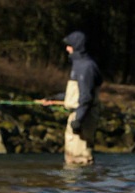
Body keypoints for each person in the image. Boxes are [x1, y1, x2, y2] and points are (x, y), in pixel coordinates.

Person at [37, 31, 103, 165]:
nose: (67, 49)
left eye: (69, 46)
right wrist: (52, 98)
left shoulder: (86, 67)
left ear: (77, 47)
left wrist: (78, 120)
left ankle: (82, 185)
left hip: (84, 117)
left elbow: (86, 97)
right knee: (72, 159)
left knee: (80, 159)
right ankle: (75, 184)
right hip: (79, 114)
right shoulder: (79, 65)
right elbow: (76, 93)